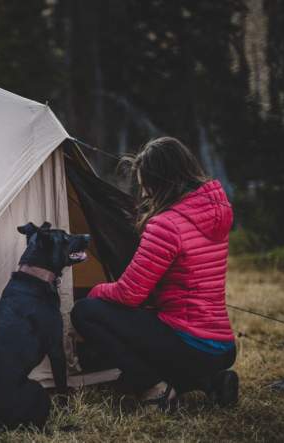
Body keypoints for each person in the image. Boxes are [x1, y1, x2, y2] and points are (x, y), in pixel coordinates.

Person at [70, 136, 237, 412]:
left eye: (143, 180)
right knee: (154, 331)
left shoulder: (166, 224)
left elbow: (129, 294)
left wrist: (95, 292)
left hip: (189, 342)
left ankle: (155, 387)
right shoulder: (215, 211)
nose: (143, 190)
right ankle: (212, 382)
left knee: (86, 312)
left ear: (157, 179)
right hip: (221, 347)